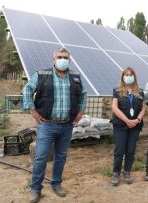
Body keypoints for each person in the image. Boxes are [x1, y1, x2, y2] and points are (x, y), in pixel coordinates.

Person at [22, 48, 87, 203]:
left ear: (69, 60)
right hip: (47, 125)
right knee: (41, 157)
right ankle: (35, 189)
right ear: (53, 60)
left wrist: (80, 112)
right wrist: (32, 110)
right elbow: (27, 89)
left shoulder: (75, 77)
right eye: (59, 57)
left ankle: (56, 184)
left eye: (65, 58)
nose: (62, 60)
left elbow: (83, 94)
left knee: (61, 157)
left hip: (67, 125)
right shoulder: (42, 75)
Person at [111, 67, 146, 186]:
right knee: (119, 150)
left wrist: (137, 120)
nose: (129, 76)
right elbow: (114, 108)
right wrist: (127, 120)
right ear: (123, 77)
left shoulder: (140, 92)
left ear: (134, 77)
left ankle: (127, 172)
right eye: (126, 74)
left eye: (131, 74)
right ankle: (116, 173)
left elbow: (143, 108)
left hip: (135, 126)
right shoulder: (117, 91)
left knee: (130, 151)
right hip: (120, 126)